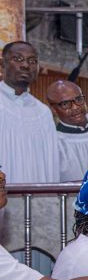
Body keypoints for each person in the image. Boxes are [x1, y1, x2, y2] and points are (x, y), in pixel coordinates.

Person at [0, 42, 59, 183]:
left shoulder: (42, 112)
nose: (25, 65)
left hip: (36, 194)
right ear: (2, 65)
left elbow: (51, 164)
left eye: (32, 61)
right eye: (18, 59)